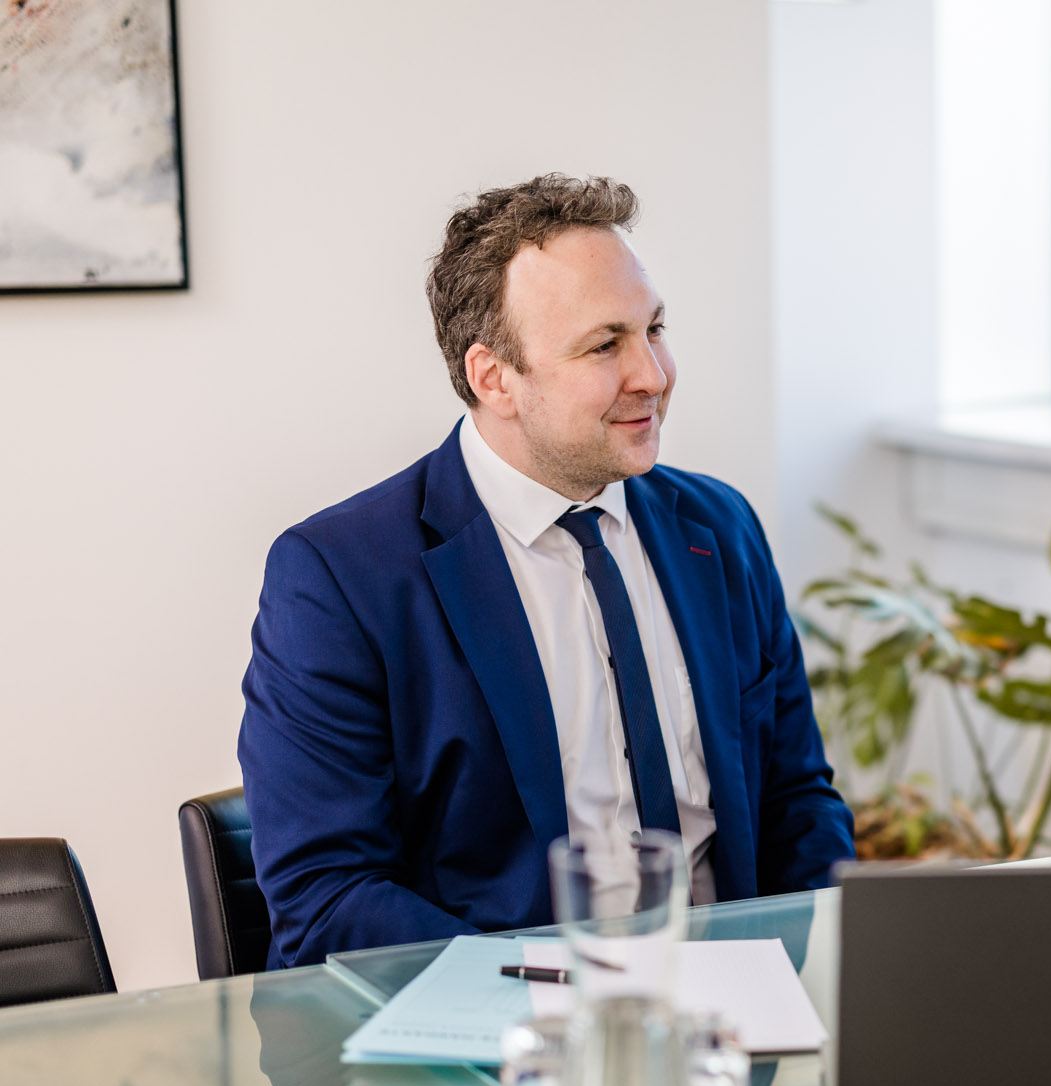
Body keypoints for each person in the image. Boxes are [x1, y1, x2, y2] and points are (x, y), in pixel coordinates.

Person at [240, 174, 853, 968]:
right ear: (494, 377)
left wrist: (811, 971)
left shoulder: (719, 529)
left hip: (731, 1032)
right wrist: (563, 1001)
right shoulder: (340, 578)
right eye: (605, 345)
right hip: (491, 1050)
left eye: (654, 329)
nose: (654, 375)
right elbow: (325, 897)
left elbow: (796, 802)